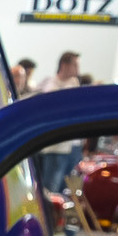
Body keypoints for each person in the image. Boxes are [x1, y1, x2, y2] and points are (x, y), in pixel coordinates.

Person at [33, 52, 83, 194]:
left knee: (67, 191)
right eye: (75, 65)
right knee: (51, 190)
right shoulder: (49, 84)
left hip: (72, 145)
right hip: (55, 145)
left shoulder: (73, 84)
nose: (78, 69)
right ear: (64, 65)